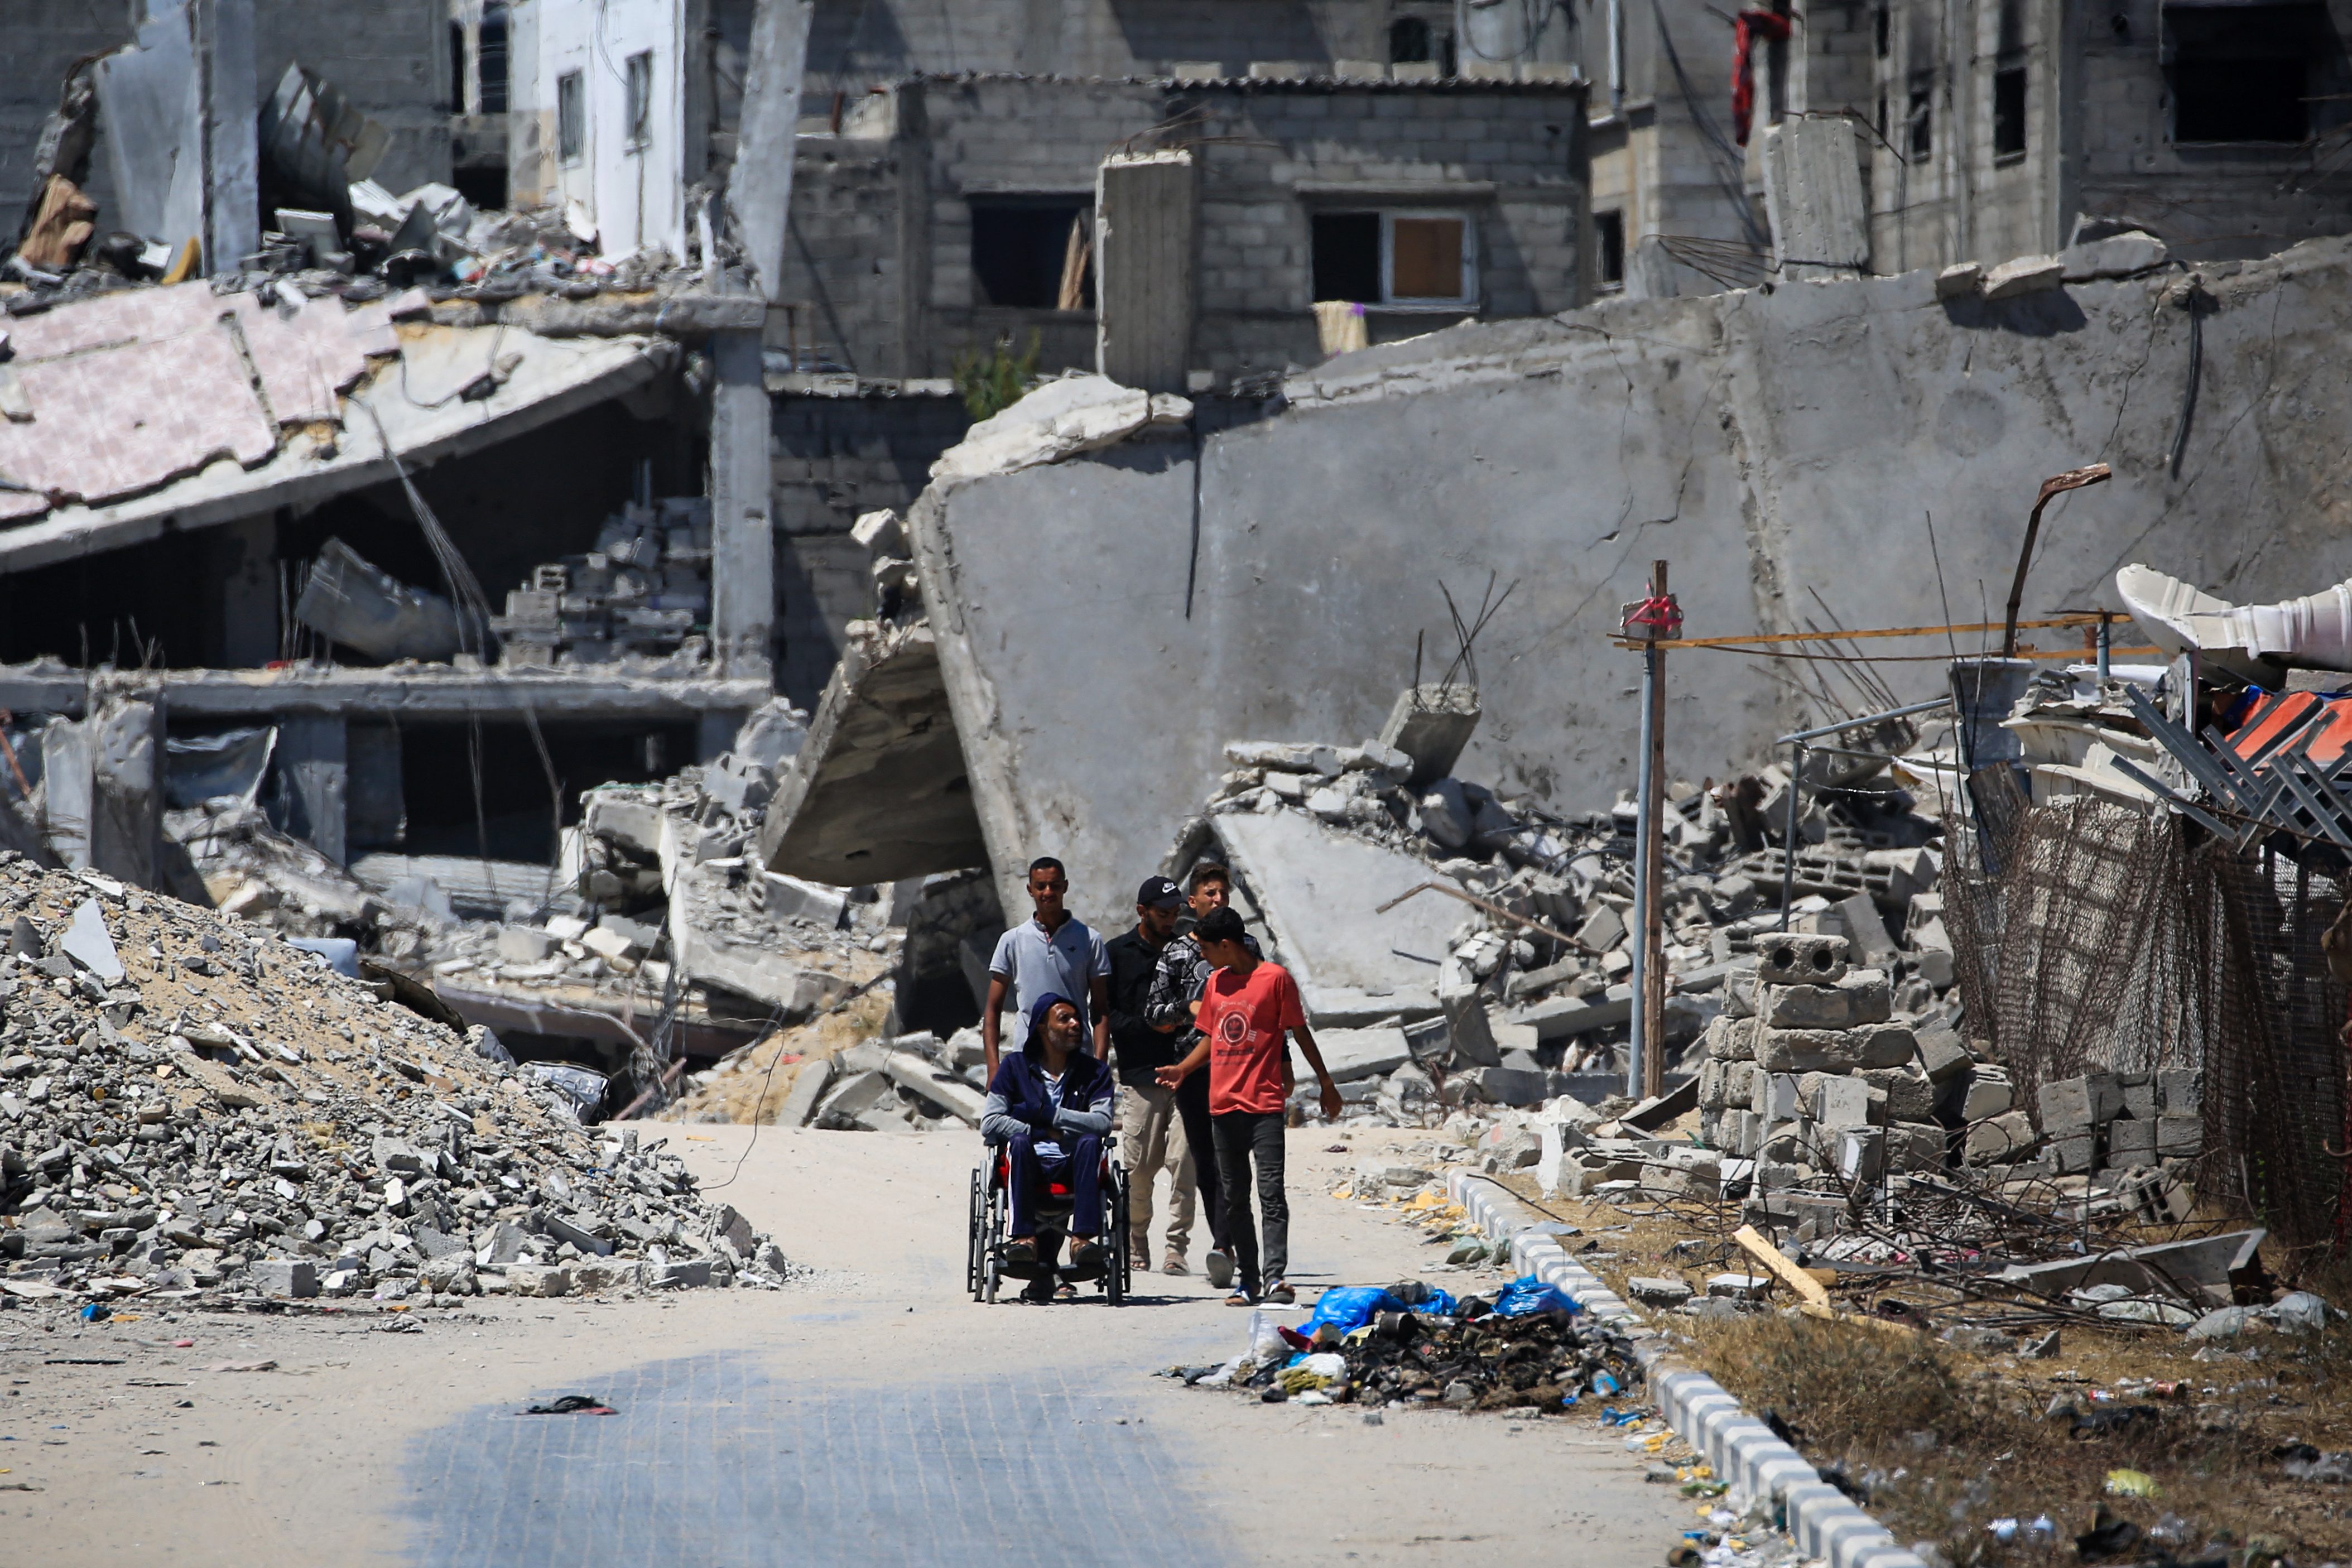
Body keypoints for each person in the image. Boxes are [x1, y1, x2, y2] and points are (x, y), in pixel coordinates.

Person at [1157, 906, 1340, 1307]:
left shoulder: (1275, 979)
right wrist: (1182, 1070)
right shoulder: (1217, 983)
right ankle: (1250, 1282)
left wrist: (1325, 1083)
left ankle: (1276, 1279)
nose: (1202, 956)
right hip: (1223, 1107)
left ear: (1226, 945)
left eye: (1205, 949)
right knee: (1235, 1198)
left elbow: (1299, 1032)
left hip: (1264, 1105)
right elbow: (1211, 1037)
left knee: (1271, 1193)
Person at [1144, 862, 1256, 1290]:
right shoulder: (1176, 953)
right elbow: (1152, 1011)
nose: (1218, 899)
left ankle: (1237, 1244)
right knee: (1206, 1161)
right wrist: (1186, 1011)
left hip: (1241, 1068)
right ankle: (1223, 1246)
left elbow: (1267, 1003)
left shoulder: (1247, 946)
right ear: (1192, 901)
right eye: (1209, 893)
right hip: (1192, 1071)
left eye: (1223, 893)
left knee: (1238, 1158)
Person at [980, 994, 1116, 1304]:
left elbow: (1102, 1122)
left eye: (1078, 1019)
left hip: (1073, 1162)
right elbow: (990, 1122)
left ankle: (1082, 1241)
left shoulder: (1094, 1072)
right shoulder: (1015, 1067)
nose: (1075, 1025)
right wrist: (1040, 1130)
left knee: (1090, 1142)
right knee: (1018, 1142)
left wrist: (1051, 1114)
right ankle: (1024, 1239)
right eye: (1065, 1019)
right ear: (1043, 1027)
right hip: (1030, 1162)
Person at [1104, 876, 1194, 1276]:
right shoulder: (1117, 954)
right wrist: (1150, 1027)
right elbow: (1107, 1016)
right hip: (1141, 1076)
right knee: (1139, 1169)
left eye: (1175, 913)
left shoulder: (1190, 949)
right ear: (1141, 911)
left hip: (1187, 1073)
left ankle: (1176, 1247)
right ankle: (1137, 1238)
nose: (1170, 920)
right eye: (1162, 914)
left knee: (1183, 1160)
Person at [982, 856, 1111, 1079]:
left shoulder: (1089, 939)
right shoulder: (1013, 940)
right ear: (1030, 890)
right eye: (1041, 886)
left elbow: (1100, 1009)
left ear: (1065, 887)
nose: (1048, 892)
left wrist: (1099, 1065)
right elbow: (993, 1009)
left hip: (1077, 1059)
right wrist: (994, 1069)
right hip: (1028, 1059)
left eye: (1055, 885)